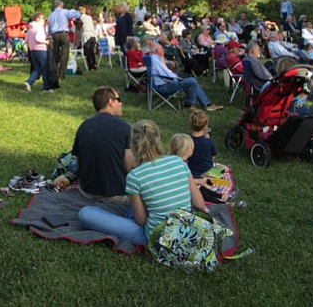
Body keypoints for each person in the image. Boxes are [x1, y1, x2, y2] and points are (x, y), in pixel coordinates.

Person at [78, 120, 206, 246]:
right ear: (158, 139)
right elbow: (199, 204)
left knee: (86, 213)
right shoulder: (178, 162)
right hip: (185, 232)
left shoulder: (135, 176)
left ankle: (122, 223)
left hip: (157, 239)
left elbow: (141, 220)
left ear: (132, 144)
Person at [71, 87, 133, 204]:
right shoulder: (124, 127)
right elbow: (129, 167)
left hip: (86, 192)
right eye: (118, 100)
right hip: (115, 195)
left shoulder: (84, 126)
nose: (121, 103)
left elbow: (79, 161)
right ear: (110, 102)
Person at [148, 44, 223, 111]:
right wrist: (176, 78)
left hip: (166, 82)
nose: (163, 50)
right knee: (191, 81)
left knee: (189, 79)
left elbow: (165, 71)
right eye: (162, 49)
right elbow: (164, 74)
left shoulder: (157, 58)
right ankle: (190, 104)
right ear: (158, 51)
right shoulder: (155, 60)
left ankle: (203, 104)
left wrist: (176, 76)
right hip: (164, 86)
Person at [47, 0, 81, 80]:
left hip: (55, 34)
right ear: (61, 5)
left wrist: (50, 35)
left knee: (54, 53)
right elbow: (76, 14)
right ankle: (62, 74)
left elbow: (49, 28)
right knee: (64, 54)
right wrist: (78, 11)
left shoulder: (51, 15)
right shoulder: (64, 12)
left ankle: (53, 72)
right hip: (64, 33)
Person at [24, 12, 51, 92]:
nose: (44, 20)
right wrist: (46, 42)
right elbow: (38, 38)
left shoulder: (30, 28)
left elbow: (26, 40)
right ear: (38, 19)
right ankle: (46, 87)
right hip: (41, 50)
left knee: (37, 69)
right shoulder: (39, 28)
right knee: (45, 68)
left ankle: (29, 82)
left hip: (32, 50)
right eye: (42, 18)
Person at [186, 110, 217, 179]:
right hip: (208, 172)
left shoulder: (187, 141)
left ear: (191, 125)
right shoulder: (210, 141)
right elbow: (213, 156)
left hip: (192, 172)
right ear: (205, 127)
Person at [79, 6, 97, 71]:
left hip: (86, 35)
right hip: (92, 34)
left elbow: (79, 27)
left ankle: (91, 66)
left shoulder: (80, 18)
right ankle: (94, 64)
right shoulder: (89, 17)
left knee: (87, 51)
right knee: (92, 51)